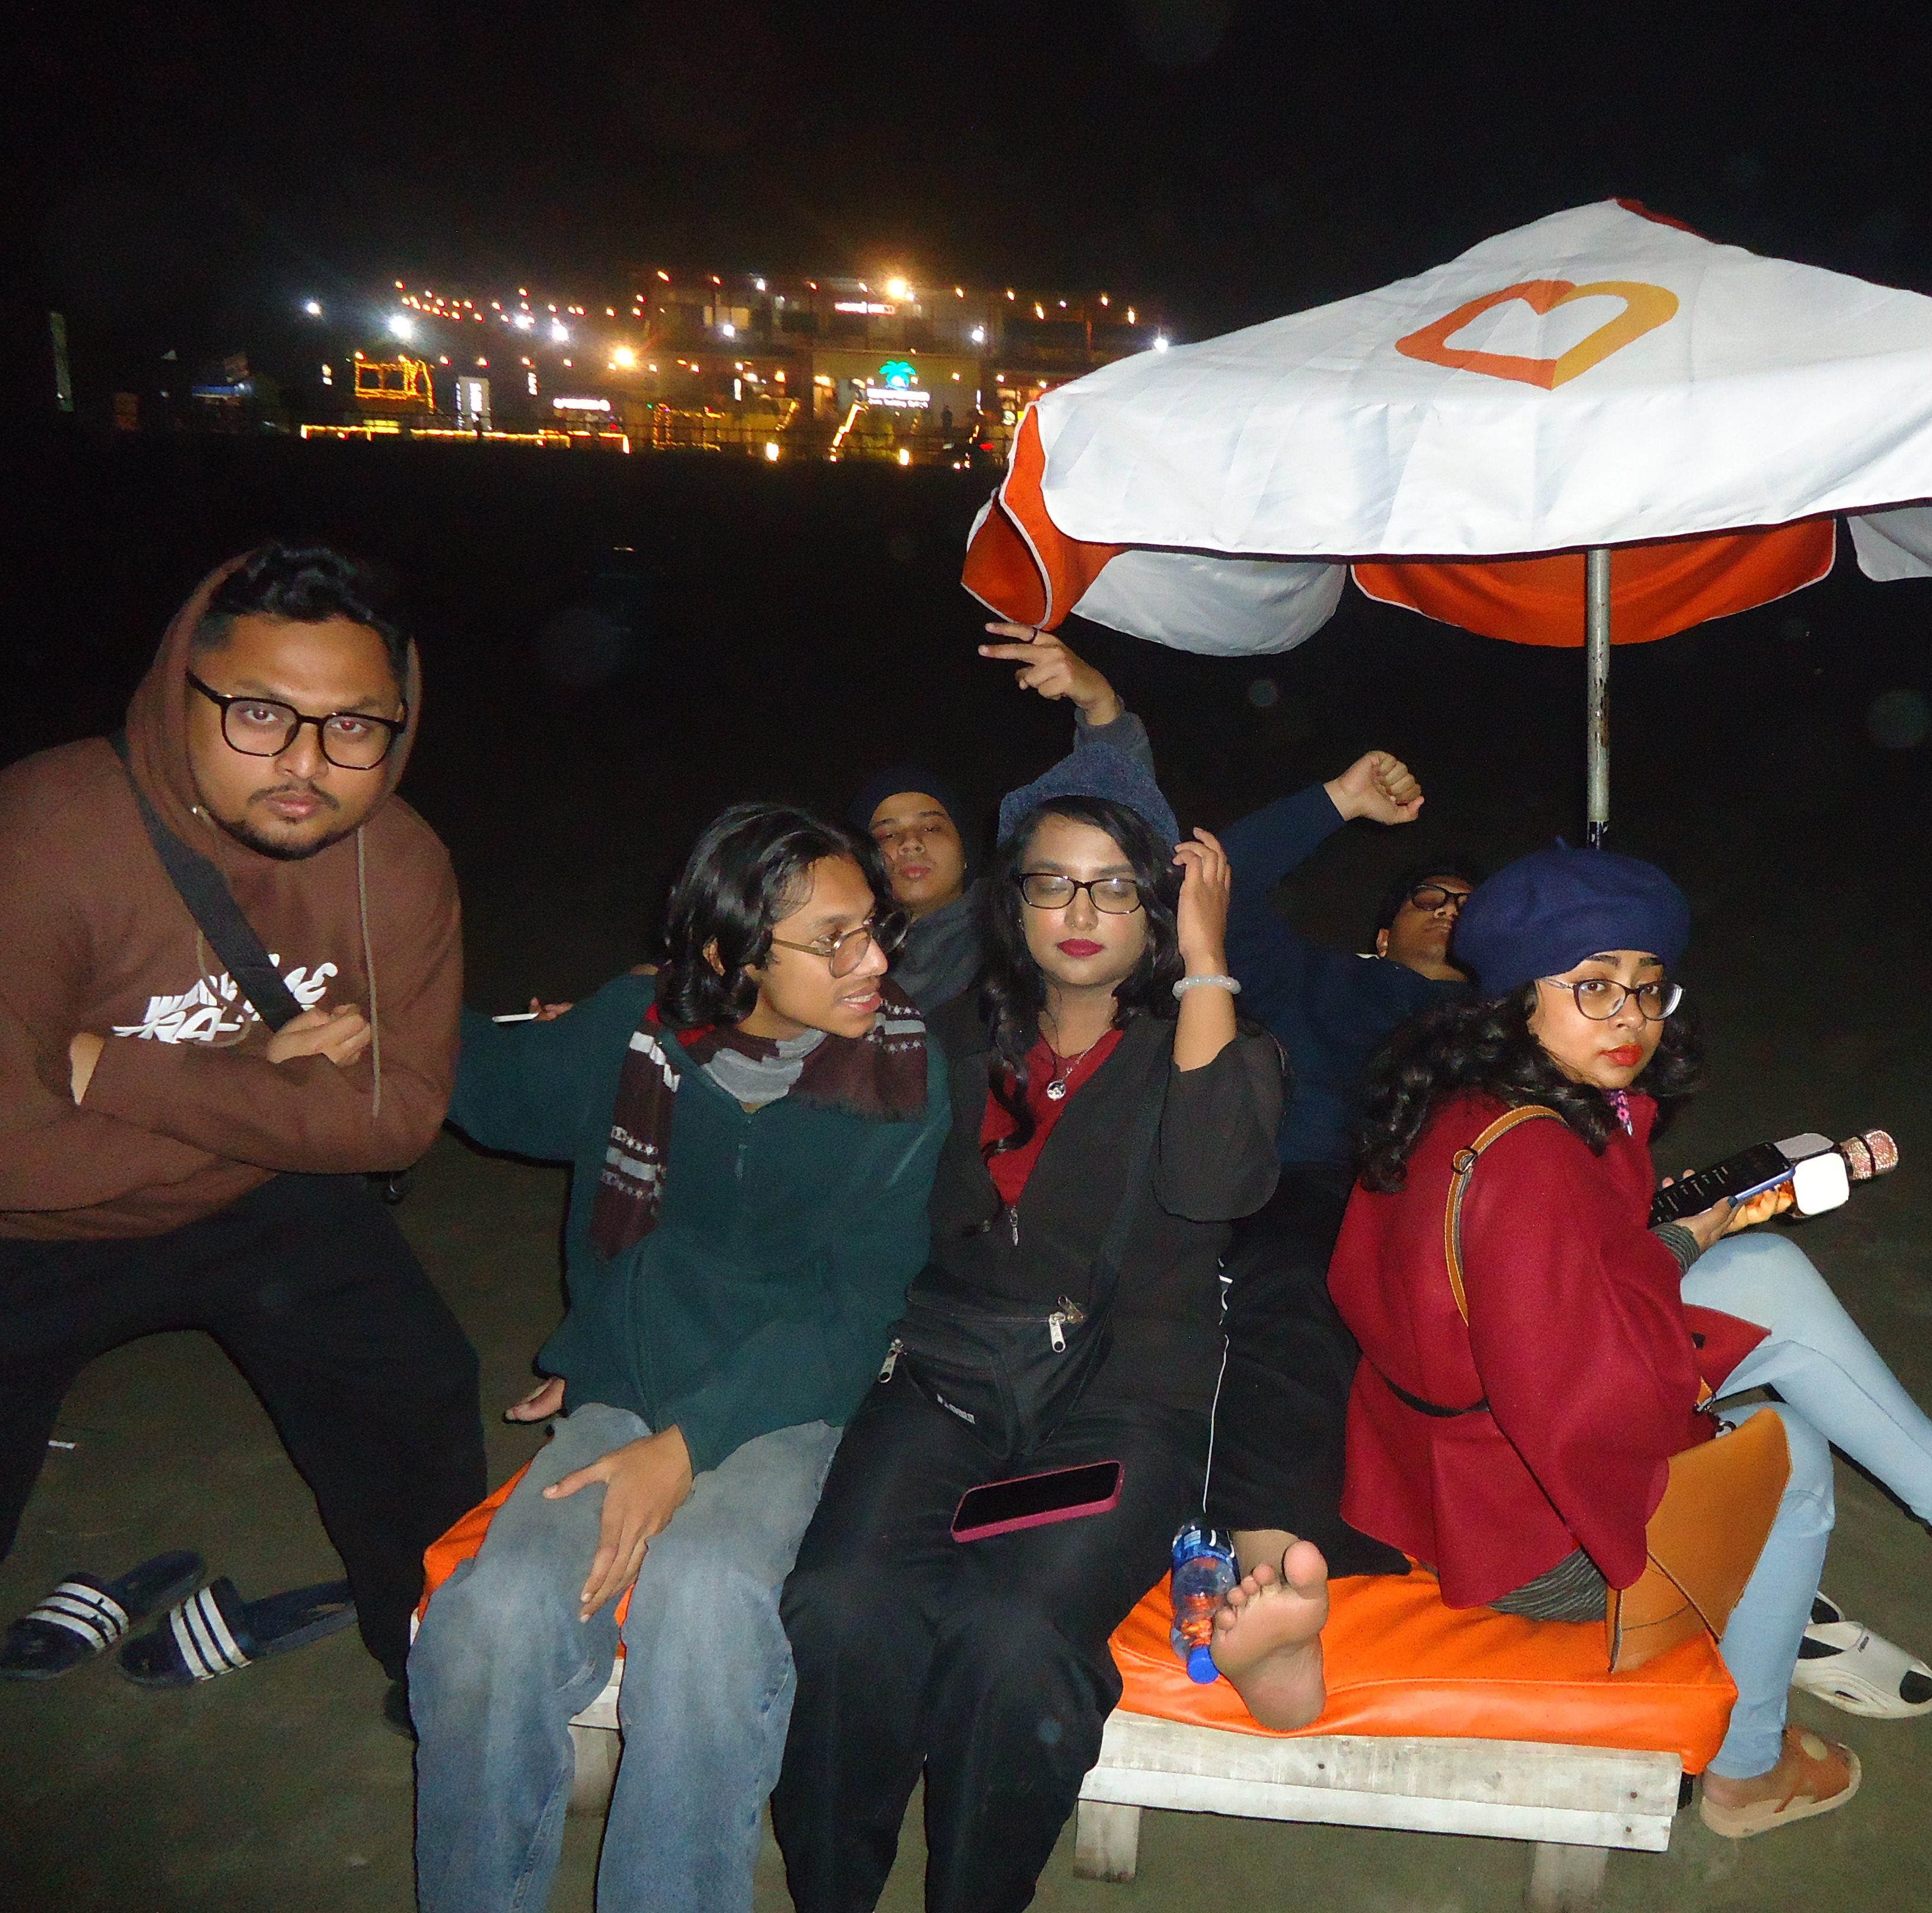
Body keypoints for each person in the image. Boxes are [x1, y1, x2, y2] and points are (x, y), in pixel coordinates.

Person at [1327, 844, 1932, 1838]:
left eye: (1647, 987)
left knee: (1763, 1283)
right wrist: (1688, 1308)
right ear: (1514, 999)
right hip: (1522, 1531)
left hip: (1428, 1463)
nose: (1630, 1017)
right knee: (1785, 1448)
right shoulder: (1530, 1159)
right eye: (1593, 986)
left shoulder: (1469, 1097)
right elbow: (1585, 1410)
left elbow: (1528, 1289)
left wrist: (1670, 1234)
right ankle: (1752, 1761)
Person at [410, 804, 949, 1913]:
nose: (875, 962)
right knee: (491, 1618)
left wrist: (689, 1447)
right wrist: (368, 1026)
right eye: (835, 939)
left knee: (706, 1601)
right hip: (632, 1384)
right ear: (729, 953)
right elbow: (494, 1084)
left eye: (875, 927)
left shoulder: (905, 1076)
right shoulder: (638, 1034)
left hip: (792, 1405)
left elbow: (860, 1309)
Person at [773, 744, 1283, 1913]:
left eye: (1117, 887)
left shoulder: (1218, 1047)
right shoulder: (948, 1039)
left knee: (1012, 1633)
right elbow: (814, 1172)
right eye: (1054, 882)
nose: (1083, 913)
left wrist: (1207, 962)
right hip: (949, 1386)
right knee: (843, 1605)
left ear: (1160, 906)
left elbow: (1212, 1183)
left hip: (1113, 1414)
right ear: (1014, 900)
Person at [0, 543, 481, 1719]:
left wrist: (112, 1068)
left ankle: (441, 1669)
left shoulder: (399, 863)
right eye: (260, 714)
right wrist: (271, 1086)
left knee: (415, 1387)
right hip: (28, 1228)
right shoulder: (44, 836)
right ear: (184, 694)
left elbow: (398, 1121)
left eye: (352, 726)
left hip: (255, 1203)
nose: (307, 764)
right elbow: (16, 1145)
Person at [1191, 748, 1473, 1727]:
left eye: (1470, 907)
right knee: (1292, 1279)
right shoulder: (1318, 982)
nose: (1451, 913)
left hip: (1455, 1206)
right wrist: (1337, 802)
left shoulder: (1507, 1021)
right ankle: (1272, 1570)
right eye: (1431, 899)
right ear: (1383, 931)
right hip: (1320, 1186)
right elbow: (1211, 882)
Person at [852, 621, 1150, 1013]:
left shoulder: (1013, 925)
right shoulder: (837, 957)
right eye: (887, 834)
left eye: (931, 826)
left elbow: (1117, 822)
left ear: (965, 852)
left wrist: (1101, 707)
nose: (910, 843)